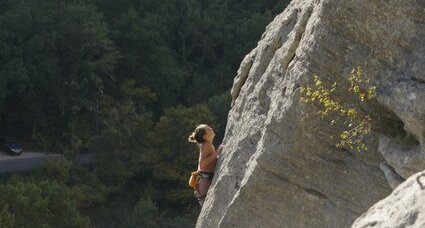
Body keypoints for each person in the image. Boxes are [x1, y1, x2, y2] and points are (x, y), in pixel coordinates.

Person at [188, 124, 223, 206]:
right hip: (203, 185)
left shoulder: (208, 145)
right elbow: (202, 163)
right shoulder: (206, 145)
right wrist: (218, 152)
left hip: (203, 184)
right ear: (205, 136)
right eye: (208, 129)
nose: (211, 128)